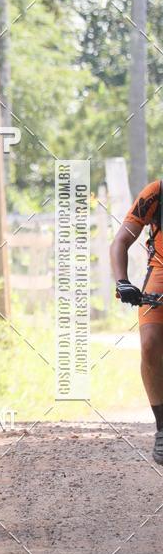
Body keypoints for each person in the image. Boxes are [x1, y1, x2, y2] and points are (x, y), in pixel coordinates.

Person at [110, 179, 163, 463]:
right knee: (150, 344)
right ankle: (162, 427)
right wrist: (122, 281)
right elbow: (120, 241)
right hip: (160, 274)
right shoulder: (156, 192)